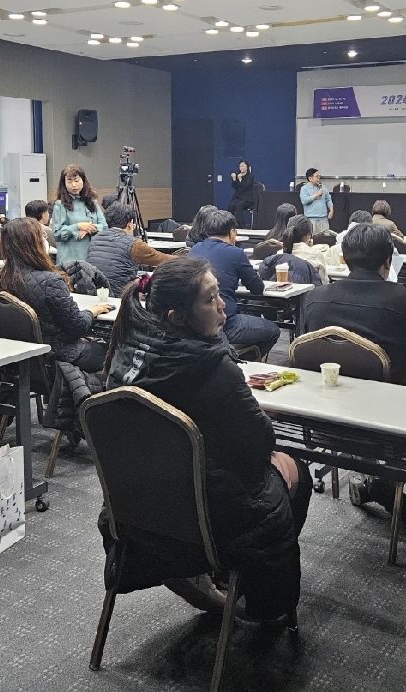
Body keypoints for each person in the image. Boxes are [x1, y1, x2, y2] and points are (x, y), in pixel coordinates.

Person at [102, 257, 310, 619]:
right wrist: (252, 414)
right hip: (207, 516)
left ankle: (200, 574)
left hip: (140, 510)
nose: (223, 305)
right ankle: (258, 592)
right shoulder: (215, 367)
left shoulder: (123, 353)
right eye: (210, 298)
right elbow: (260, 445)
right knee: (295, 470)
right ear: (177, 318)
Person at [303, 223, 406, 521]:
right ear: (388, 260)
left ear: (343, 258)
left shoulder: (314, 299)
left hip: (328, 416)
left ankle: (371, 483)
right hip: (391, 419)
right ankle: (380, 482)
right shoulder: (403, 300)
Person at [0, 217, 112, 370]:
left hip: (21, 357)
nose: (45, 240)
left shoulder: (0, 278)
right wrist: (92, 311)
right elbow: (77, 326)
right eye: (42, 236)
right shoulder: (50, 280)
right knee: (111, 349)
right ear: (34, 244)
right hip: (59, 356)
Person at [188, 209, 281, 357]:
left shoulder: (194, 249)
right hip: (227, 323)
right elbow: (257, 288)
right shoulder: (236, 253)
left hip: (197, 323)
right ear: (232, 233)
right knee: (273, 331)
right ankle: (247, 361)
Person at [86, 201, 172, 295]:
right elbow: (162, 259)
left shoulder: (94, 239)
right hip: (121, 295)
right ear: (130, 224)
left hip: (97, 294)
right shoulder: (134, 244)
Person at [51, 164, 106, 263]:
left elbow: (104, 227)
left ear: (83, 181)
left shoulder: (92, 202)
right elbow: (57, 234)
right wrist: (78, 226)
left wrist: (88, 228)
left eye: (76, 180)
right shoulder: (60, 205)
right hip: (69, 260)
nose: (74, 185)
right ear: (64, 184)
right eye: (69, 181)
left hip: (92, 257)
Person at [257, 215, 327, 285]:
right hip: (309, 294)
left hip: (282, 293)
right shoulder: (315, 254)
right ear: (308, 236)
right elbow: (324, 283)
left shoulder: (279, 255)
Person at [298, 168, 333, 235]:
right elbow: (304, 201)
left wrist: (331, 210)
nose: (318, 178)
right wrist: (316, 195)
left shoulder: (323, 187)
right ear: (310, 178)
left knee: (325, 240)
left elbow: (328, 199)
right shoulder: (304, 189)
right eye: (316, 176)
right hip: (311, 220)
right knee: (311, 240)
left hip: (324, 219)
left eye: (319, 176)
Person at [227, 159, 257, 226]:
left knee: (238, 206)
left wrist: (240, 179)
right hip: (238, 197)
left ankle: (241, 225)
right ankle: (231, 224)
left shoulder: (250, 176)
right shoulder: (238, 175)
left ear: (247, 167)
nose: (241, 168)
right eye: (240, 166)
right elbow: (235, 186)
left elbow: (245, 187)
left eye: (243, 166)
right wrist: (234, 179)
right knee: (231, 205)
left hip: (247, 199)